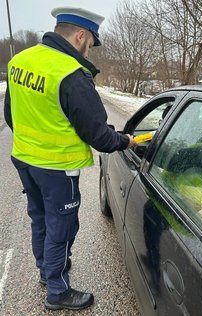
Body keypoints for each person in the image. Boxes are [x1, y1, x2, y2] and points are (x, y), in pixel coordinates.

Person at [4, 6, 136, 311]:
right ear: (80, 36)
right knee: (61, 228)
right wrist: (126, 141)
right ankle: (58, 291)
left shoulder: (19, 61)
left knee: (40, 218)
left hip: (25, 160)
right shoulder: (71, 74)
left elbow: (11, 115)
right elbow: (100, 136)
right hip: (58, 169)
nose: (90, 51)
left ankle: (45, 271)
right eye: (91, 43)